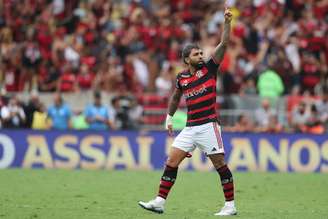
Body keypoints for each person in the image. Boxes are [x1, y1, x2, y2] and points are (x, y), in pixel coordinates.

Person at [138, 6, 236, 216]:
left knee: (219, 164)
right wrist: (169, 117)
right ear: (186, 59)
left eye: (201, 53)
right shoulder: (182, 78)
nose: (201, 56)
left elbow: (224, 43)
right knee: (171, 161)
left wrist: (227, 23)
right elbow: (175, 97)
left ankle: (230, 205)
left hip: (209, 125)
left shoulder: (209, 69)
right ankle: (159, 201)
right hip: (190, 128)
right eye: (196, 54)